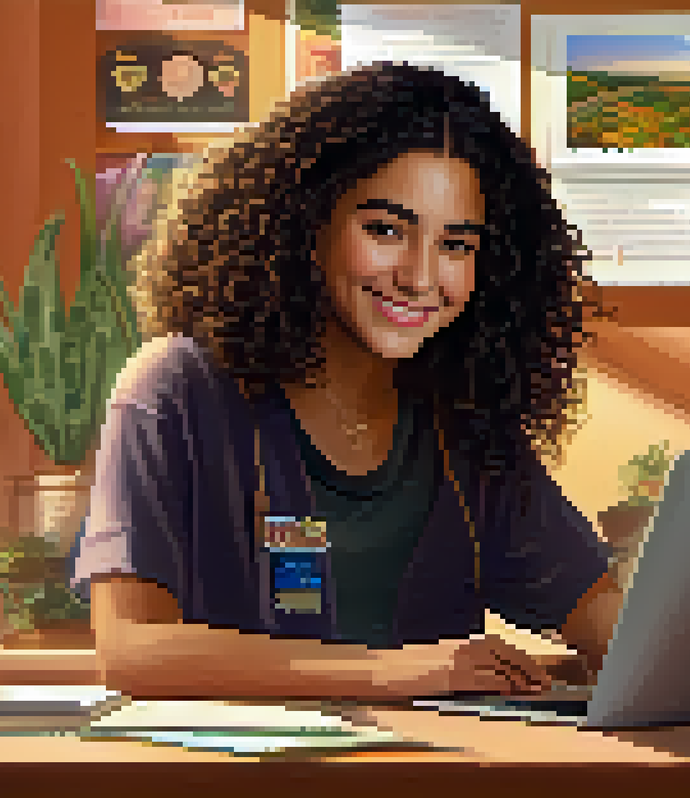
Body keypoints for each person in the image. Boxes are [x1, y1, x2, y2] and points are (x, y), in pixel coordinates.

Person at [72, 62, 625, 701]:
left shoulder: (460, 420)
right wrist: (403, 672)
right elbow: (131, 651)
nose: (420, 278)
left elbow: (608, 623)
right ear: (307, 224)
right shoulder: (175, 389)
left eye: (456, 246)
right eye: (386, 230)